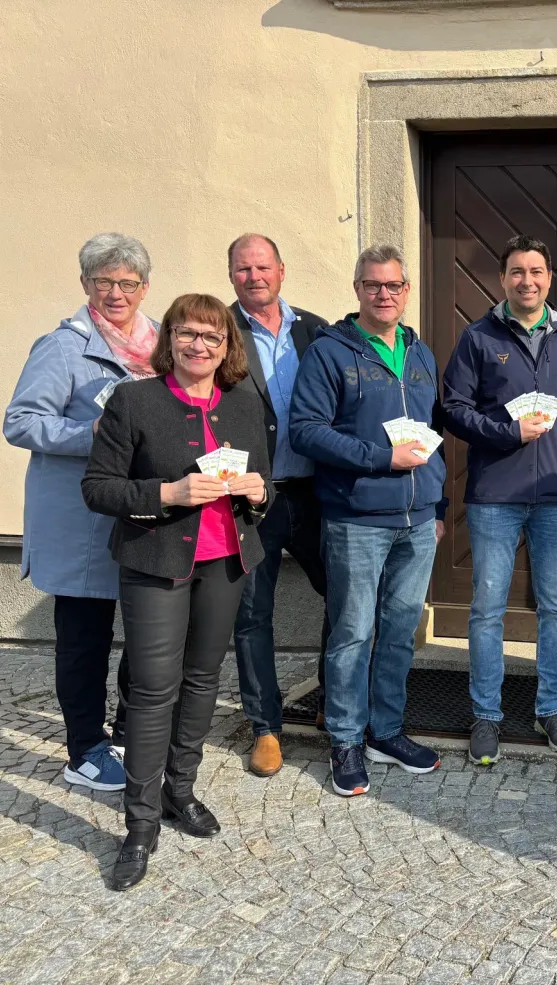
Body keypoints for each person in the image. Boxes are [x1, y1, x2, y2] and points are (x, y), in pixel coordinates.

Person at [82, 294, 271, 891]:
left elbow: (263, 488)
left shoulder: (244, 402)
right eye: (187, 334)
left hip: (226, 562)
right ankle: (139, 824)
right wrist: (166, 494)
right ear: (169, 339)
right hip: (156, 562)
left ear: (227, 347)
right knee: (152, 689)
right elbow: (98, 489)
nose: (199, 345)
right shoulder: (135, 401)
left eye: (212, 337)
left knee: (203, 681)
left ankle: (179, 792)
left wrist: (260, 493)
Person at [289, 245, 446, 796]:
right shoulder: (331, 353)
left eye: (394, 286)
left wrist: (438, 506)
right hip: (356, 517)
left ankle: (386, 731)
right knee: (353, 632)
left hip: (417, 519)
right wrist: (380, 459)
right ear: (358, 288)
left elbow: (433, 434)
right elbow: (305, 429)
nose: (385, 294)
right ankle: (346, 739)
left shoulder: (419, 352)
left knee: (400, 633)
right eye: (374, 285)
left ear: (406, 291)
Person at [3, 232, 157, 793]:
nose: (116, 292)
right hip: (81, 521)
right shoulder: (62, 347)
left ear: (145, 287)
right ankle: (85, 749)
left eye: (127, 282)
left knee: (146, 633)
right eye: (103, 281)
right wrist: (90, 433)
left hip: (143, 513)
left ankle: (124, 728)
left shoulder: (161, 344)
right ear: (86, 284)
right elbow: (20, 421)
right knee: (86, 638)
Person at [443, 234, 557, 765]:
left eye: (536, 271)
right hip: (495, 495)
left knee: (555, 607)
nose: (526, 281)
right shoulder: (477, 336)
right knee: (488, 609)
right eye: (516, 272)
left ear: (550, 277)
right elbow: (453, 409)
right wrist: (506, 432)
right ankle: (486, 716)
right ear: (502, 278)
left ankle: (551, 708)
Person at [227, 233, 331, 778]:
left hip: (316, 492)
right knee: (252, 614)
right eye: (243, 269)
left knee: (345, 596)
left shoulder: (316, 330)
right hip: (251, 497)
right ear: (231, 276)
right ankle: (266, 727)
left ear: (282, 271)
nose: (253, 277)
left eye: (262, 267)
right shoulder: (218, 332)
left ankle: (331, 703)